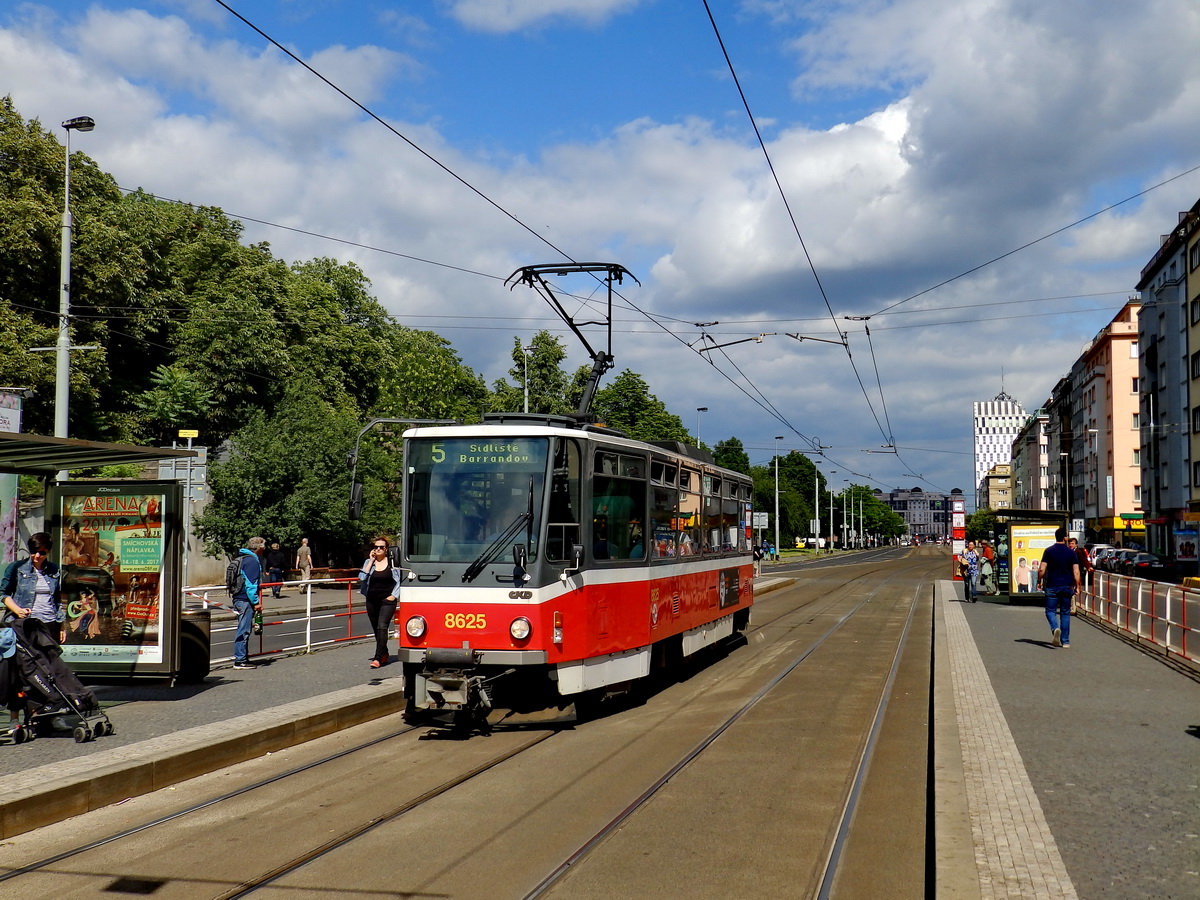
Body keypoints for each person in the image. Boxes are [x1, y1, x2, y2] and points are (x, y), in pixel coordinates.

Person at [2, 532, 66, 646]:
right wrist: (17, 610)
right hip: (25, 624)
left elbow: (57, 600)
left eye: (42, 552)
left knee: (49, 656)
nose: (37, 556)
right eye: (33, 551)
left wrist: (62, 625)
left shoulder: (54, 569)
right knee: (25, 656)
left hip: (49, 623)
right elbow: (3, 593)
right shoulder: (17, 568)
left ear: (48, 552)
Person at [358, 535, 402, 668]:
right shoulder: (369, 562)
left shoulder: (392, 563)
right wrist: (371, 561)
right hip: (371, 600)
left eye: (381, 547)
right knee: (377, 629)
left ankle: (377, 658)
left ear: (386, 549)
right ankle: (384, 653)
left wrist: (394, 596)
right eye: (376, 547)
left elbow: (400, 580)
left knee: (382, 626)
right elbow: (362, 578)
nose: (378, 549)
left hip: (387, 601)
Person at [1038, 527, 1081, 648]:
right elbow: (1076, 571)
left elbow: (1041, 569)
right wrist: (1077, 586)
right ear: (1065, 538)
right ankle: (1065, 641)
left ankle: (1055, 628)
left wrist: (1039, 580)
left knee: (1050, 611)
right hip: (1067, 586)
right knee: (1065, 613)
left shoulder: (1049, 551)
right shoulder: (1071, 553)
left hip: (1052, 585)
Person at [230, 537, 266, 670]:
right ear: (259, 548)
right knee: (244, 629)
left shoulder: (242, 558)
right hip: (245, 599)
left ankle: (242, 657)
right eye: (263, 547)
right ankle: (240, 660)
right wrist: (256, 602)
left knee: (244, 628)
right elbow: (251, 585)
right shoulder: (252, 562)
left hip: (238, 598)